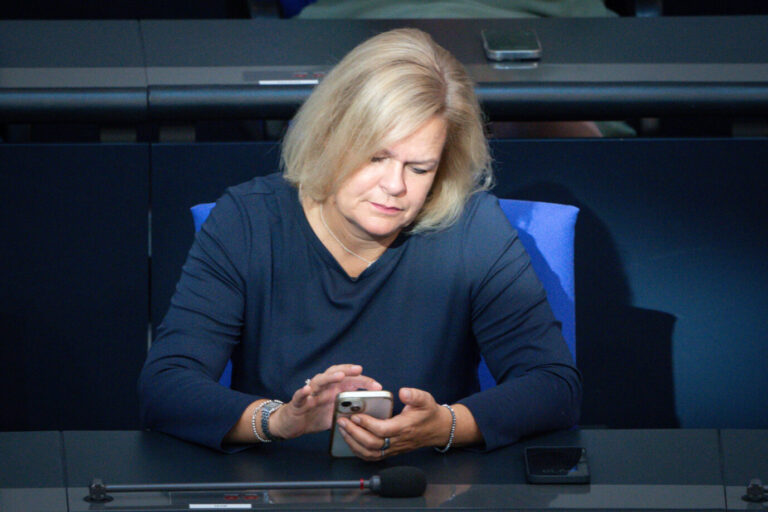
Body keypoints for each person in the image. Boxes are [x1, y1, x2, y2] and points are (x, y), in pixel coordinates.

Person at [138, 28, 581, 459]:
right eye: (376, 157)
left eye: (420, 168)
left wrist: (444, 426)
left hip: (429, 487)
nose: (394, 186)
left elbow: (553, 385)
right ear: (330, 135)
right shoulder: (248, 219)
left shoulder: (473, 226)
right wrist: (279, 421)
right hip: (280, 481)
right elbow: (166, 384)